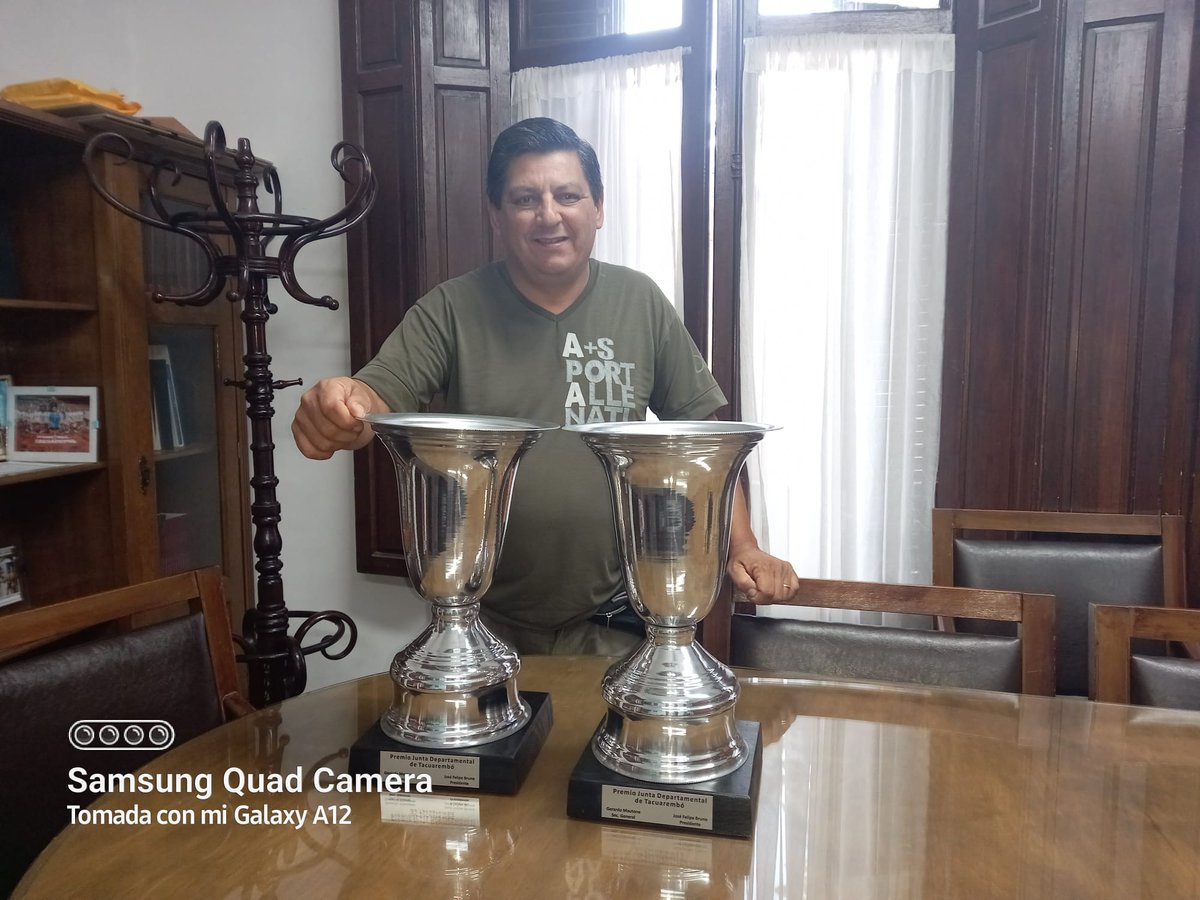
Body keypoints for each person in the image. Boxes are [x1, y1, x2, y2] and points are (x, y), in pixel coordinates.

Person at [292, 117, 798, 655]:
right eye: (525, 198)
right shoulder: (451, 308)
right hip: (479, 623)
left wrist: (743, 545)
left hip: (618, 621)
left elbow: (706, 439)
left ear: (598, 208)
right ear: (497, 215)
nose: (549, 215)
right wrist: (342, 404)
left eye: (568, 195)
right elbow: (377, 394)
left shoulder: (640, 302)